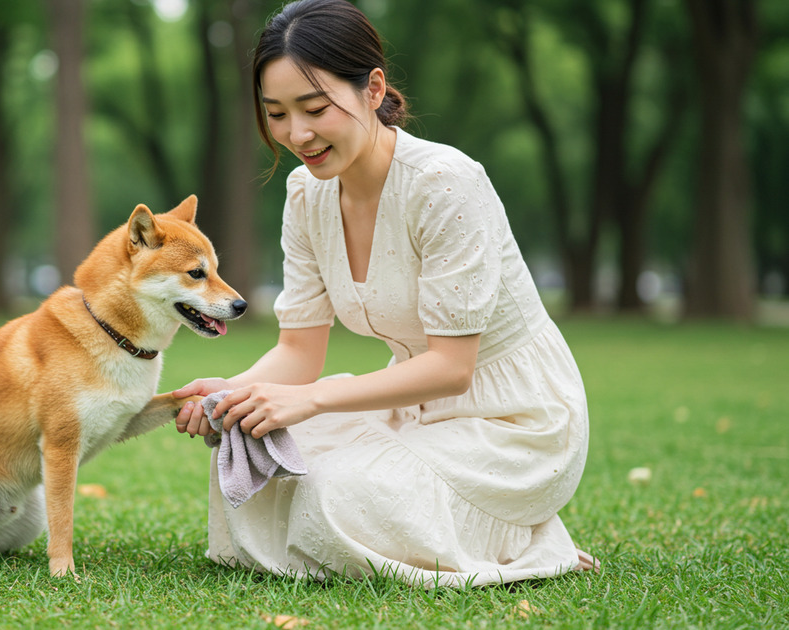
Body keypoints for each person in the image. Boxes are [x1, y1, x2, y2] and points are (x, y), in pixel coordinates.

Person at [172, 0, 598, 588]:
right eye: (275, 114)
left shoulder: (445, 183)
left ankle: (518, 537)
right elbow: (299, 352)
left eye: (315, 108)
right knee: (263, 462)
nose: (297, 134)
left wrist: (313, 401)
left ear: (373, 89)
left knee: (339, 492)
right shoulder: (305, 195)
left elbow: (452, 368)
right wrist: (237, 392)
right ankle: (465, 528)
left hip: (513, 419)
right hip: (408, 405)